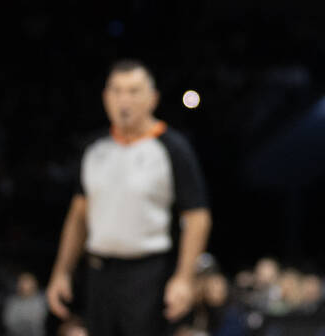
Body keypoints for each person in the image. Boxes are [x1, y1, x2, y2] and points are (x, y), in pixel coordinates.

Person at [45, 60, 212, 336]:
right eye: (117, 91)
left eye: (134, 91)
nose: (124, 99)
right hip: (99, 272)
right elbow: (78, 215)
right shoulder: (94, 149)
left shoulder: (172, 148)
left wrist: (184, 278)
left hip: (149, 273)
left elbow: (198, 217)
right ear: (105, 98)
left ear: (152, 98)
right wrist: (61, 271)